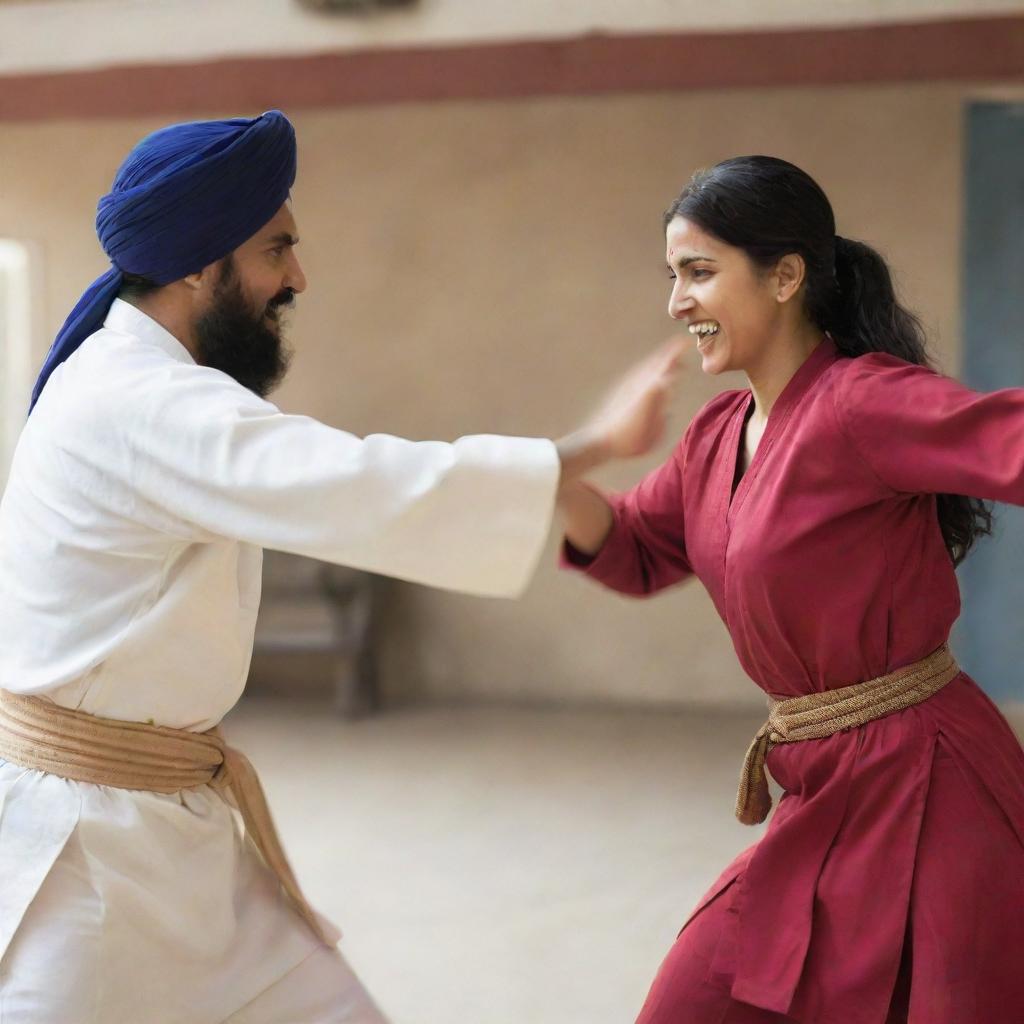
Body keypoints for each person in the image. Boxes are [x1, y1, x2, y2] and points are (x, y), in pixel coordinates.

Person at [0, 110, 683, 1023]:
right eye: (276, 249)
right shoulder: (140, 399)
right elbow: (356, 485)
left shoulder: (137, 383)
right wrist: (589, 447)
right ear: (203, 262)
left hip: (177, 834)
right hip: (81, 858)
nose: (297, 276)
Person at [559, 155, 1024, 1024]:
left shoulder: (862, 404)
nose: (676, 302)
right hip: (817, 787)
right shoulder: (716, 434)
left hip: (931, 781)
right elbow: (632, 547)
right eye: (672, 276)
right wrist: (559, 464)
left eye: (699, 273)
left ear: (785, 276)